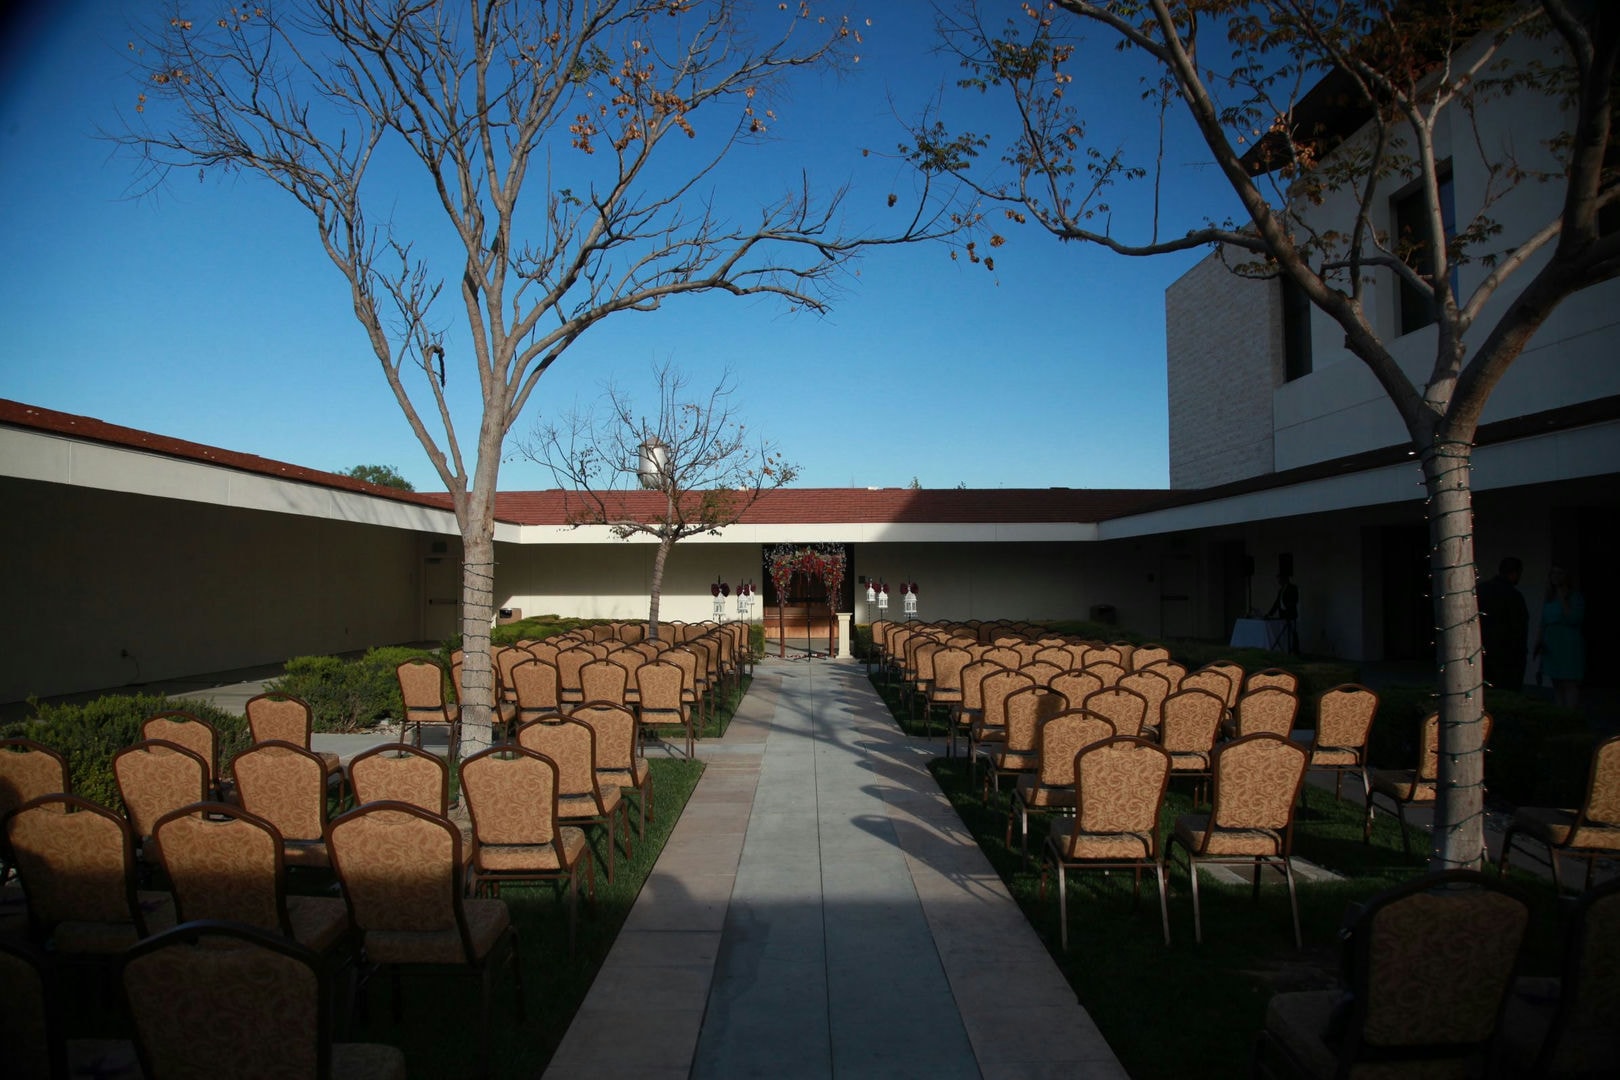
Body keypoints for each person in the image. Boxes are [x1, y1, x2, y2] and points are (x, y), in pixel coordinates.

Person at [1536, 566, 1586, 708]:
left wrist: (1563, 598)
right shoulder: (1549, 598)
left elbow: (1573, 618)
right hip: (1552, 642)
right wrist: (1539, 641)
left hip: (1568, 642)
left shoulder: (1574, 597)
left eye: (1560, 573)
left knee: (1569, 682)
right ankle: (1560, 713)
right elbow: (1543, 621)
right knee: (1556, 682)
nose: (1556, 576)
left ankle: (1570, 715)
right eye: (1553, 573)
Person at [1477, 556, 1528, 691]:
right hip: (1507, 655)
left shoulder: (1481, 590)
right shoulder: (1513, 596)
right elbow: (1519, 628)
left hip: (1482, 651)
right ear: (1515, 573)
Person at [1265, 572, 1300, 654]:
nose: (1279, 581)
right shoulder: (1281, 590)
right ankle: (1286, 649)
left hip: (1291, 615)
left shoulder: (1293, 588)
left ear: (1285, 579)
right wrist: (1270, 614)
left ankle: (1295, 650)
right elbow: (1277, 603)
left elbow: (1294, 600)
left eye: (1280, 579)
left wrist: (1287, 606)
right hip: (1283, 615)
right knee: (1284, 633)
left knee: (1292, 632)